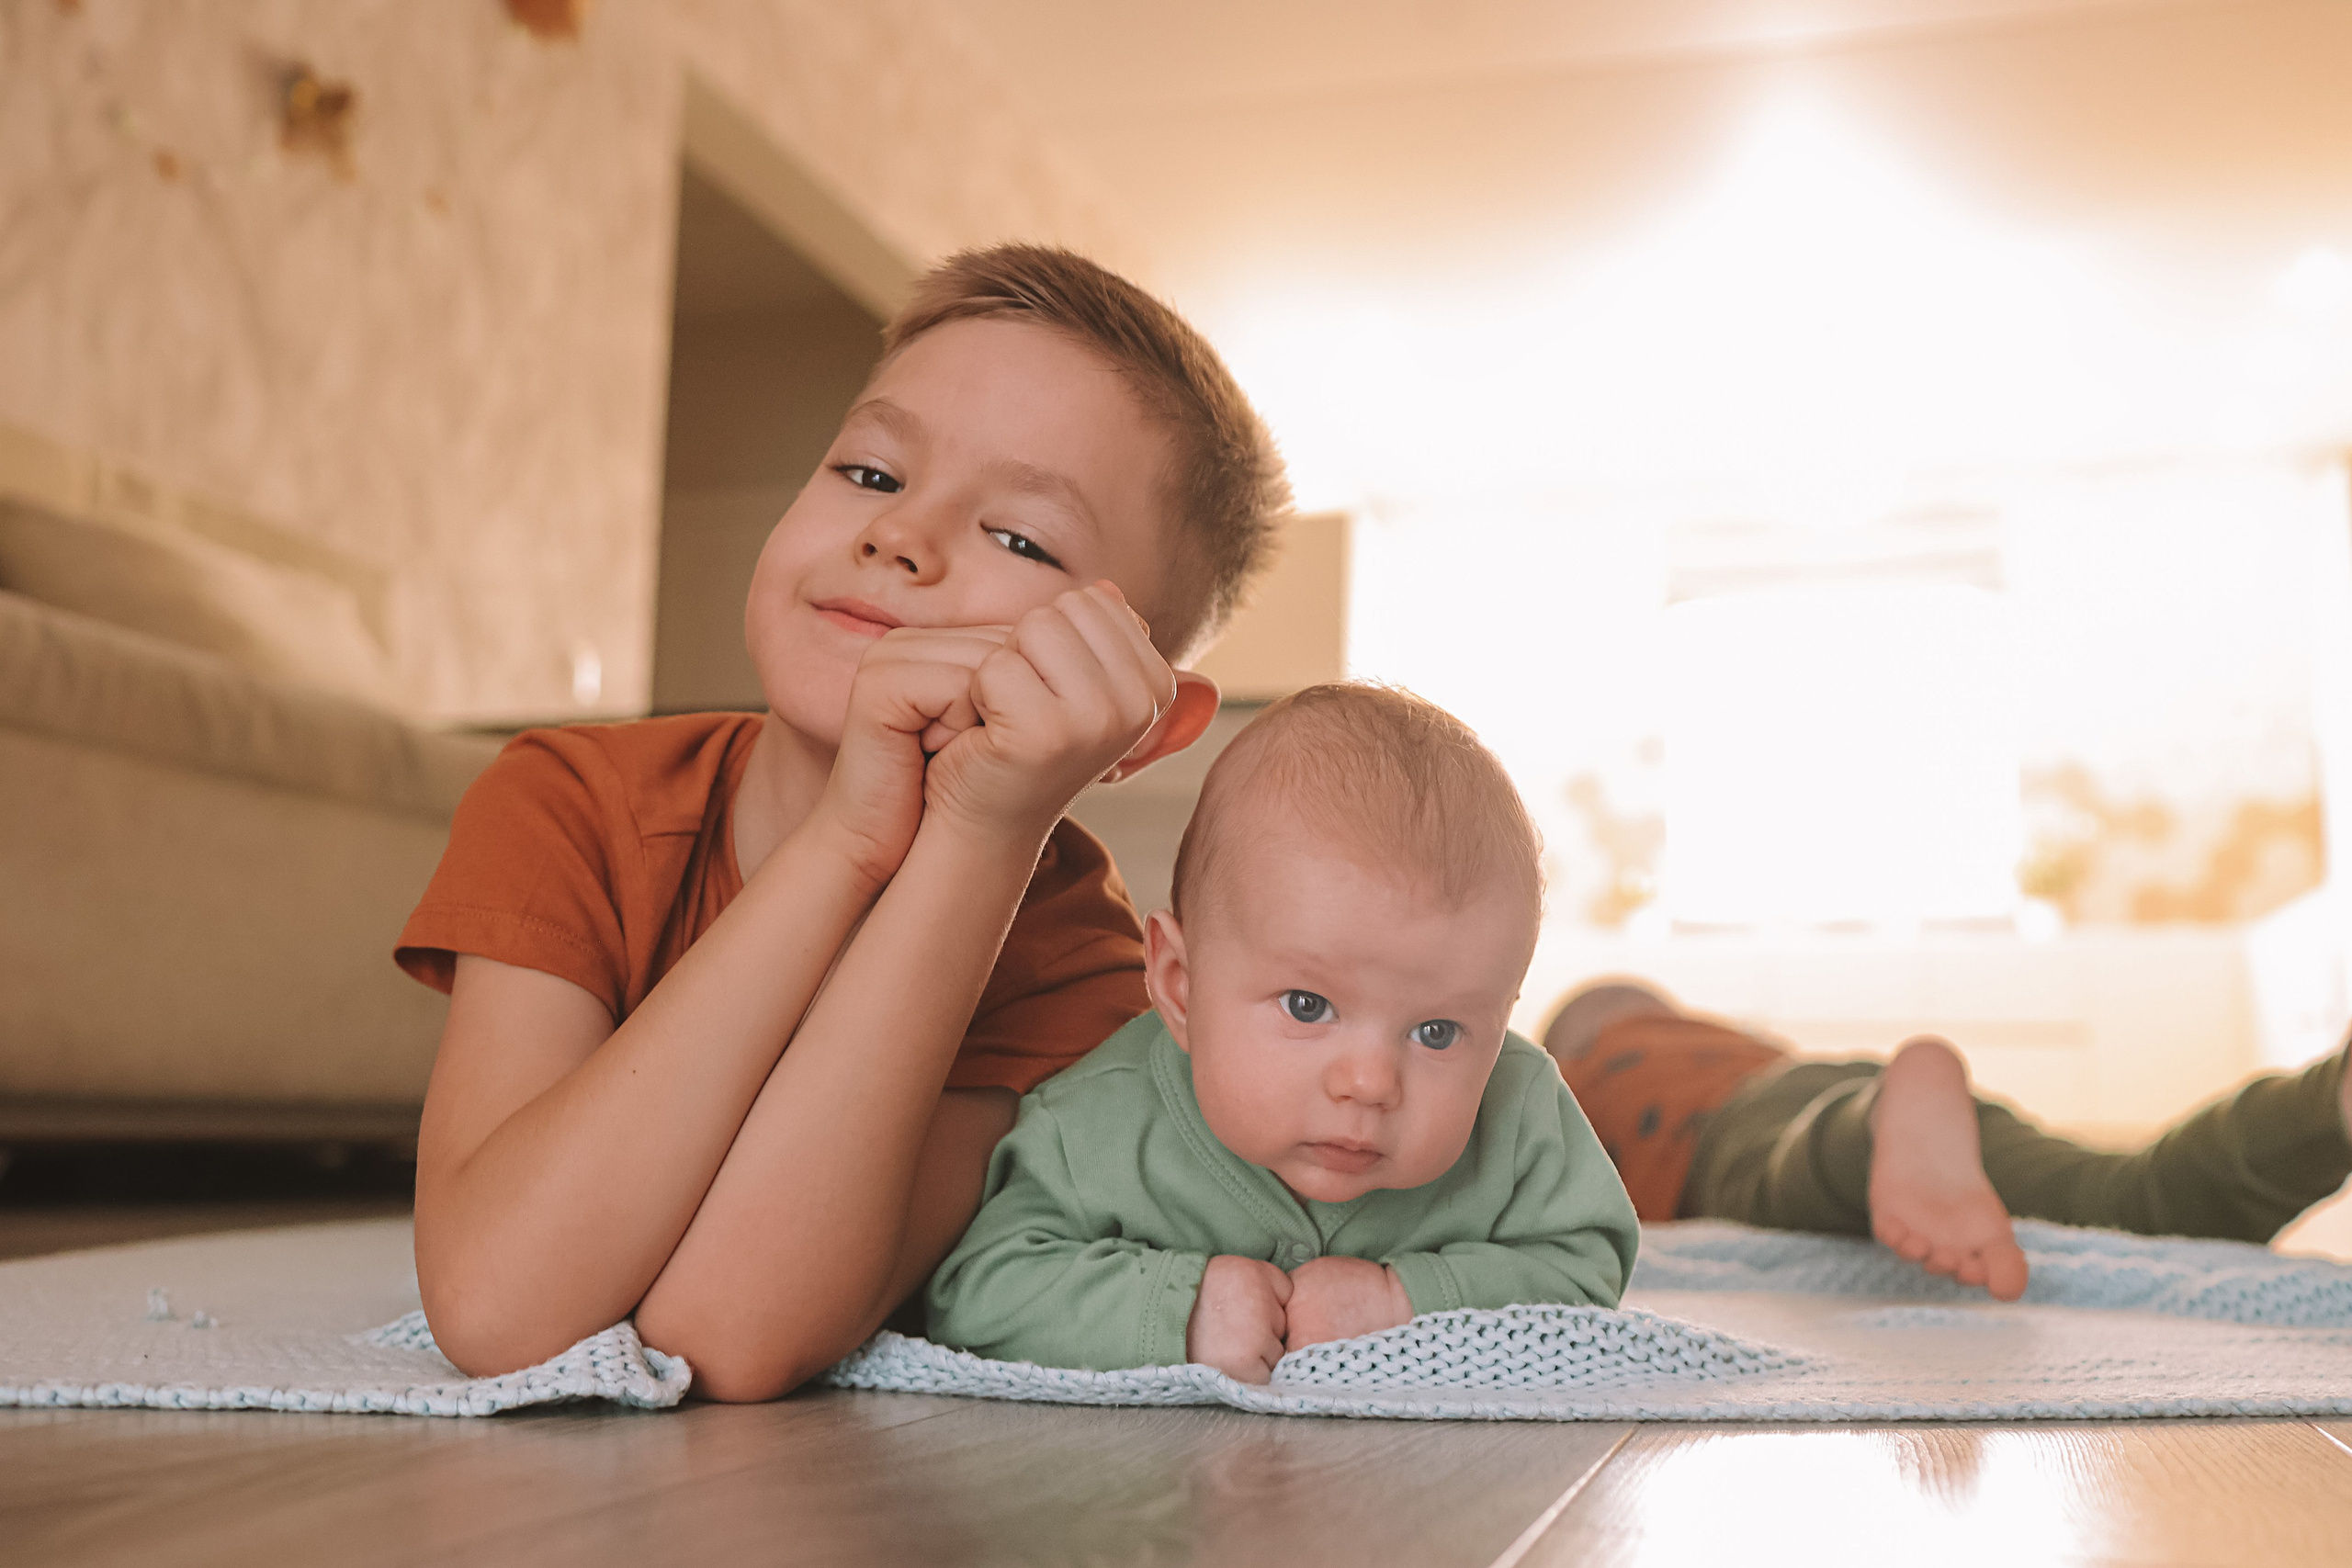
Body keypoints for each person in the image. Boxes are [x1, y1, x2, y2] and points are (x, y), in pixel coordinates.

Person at [393, 245, 1291, 1399]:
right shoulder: (567, 798)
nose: (899, 535)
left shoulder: (1077, 968)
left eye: (1019, 538)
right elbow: (498, 1304)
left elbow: (724, 1333)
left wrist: (979, 834)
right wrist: (845, 843)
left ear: (1143, 723)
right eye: (870, 473)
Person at [926, 684, 1640, 1383]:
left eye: (1437, 1030)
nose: (1369, 1082)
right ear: (1180, 985)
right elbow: (980, 1290)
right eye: (1307, 1005)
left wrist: (1408, 1302)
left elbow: (1585, 1272)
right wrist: (1180, 1311)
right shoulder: (1091, 1125)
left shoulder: (1519, 1113)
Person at [1544, 979, 2352, 1302]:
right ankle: (2326, 1099)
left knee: (1787, 1176)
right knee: (2119, 1191)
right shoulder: (1736, 1042)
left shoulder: (1583, 1073)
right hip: (1841, 1079)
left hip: (1734, 1132)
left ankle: (1874, 1125)